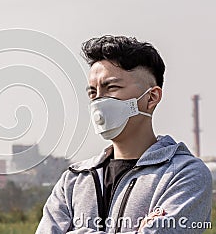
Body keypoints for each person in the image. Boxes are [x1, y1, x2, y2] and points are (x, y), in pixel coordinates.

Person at [36, 35, 212, 233]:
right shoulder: (74, 180)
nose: (98, 101)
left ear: (151, 98)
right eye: (93, 92)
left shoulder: (185, 174)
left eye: (111, 87)